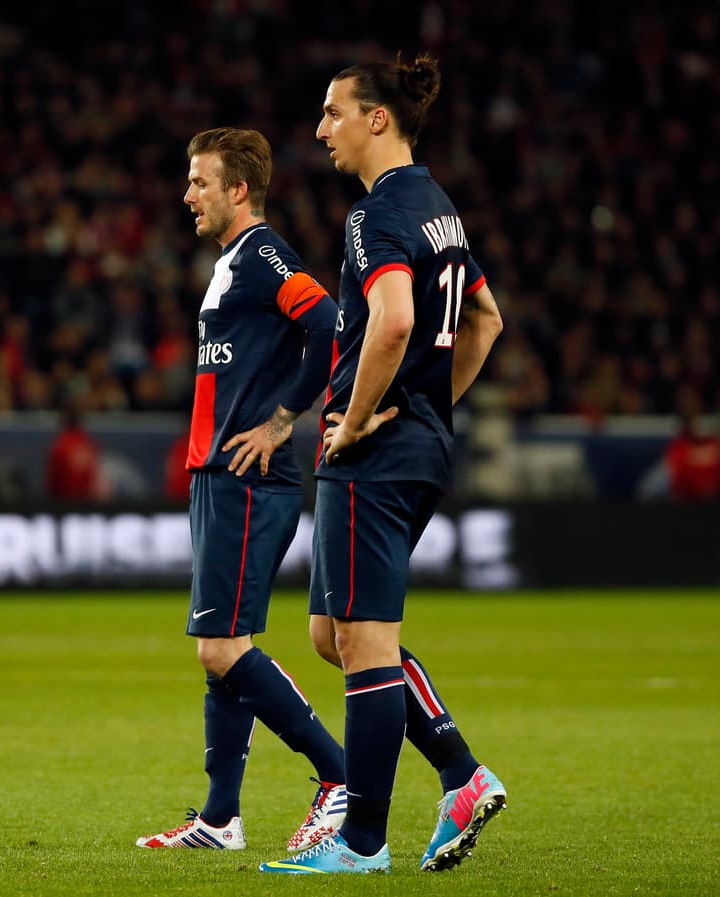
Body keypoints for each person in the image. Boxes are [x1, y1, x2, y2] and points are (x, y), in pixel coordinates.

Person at [259, 54, 506, 875]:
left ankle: (362, 840)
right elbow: (486, 321)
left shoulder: (376, 215)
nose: (321, 128)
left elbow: (394, 320)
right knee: (334, 634)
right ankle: (461, 774)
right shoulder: (440, 207)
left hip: (372, 450)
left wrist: (357, 420)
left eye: (333, 112)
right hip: (420, 442)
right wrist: (433, 407)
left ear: (377, 120)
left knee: (363, 638)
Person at [136, 128, 346, 851]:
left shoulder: (260, 253)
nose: (187, 194)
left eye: (199, 182)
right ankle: (220, 817)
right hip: (218, 477)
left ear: (237, 190)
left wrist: (283, 418)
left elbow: (331, 324)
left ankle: (338, 774)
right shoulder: (232, 261)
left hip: (249, 479)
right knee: (221, 646)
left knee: (221, 649)